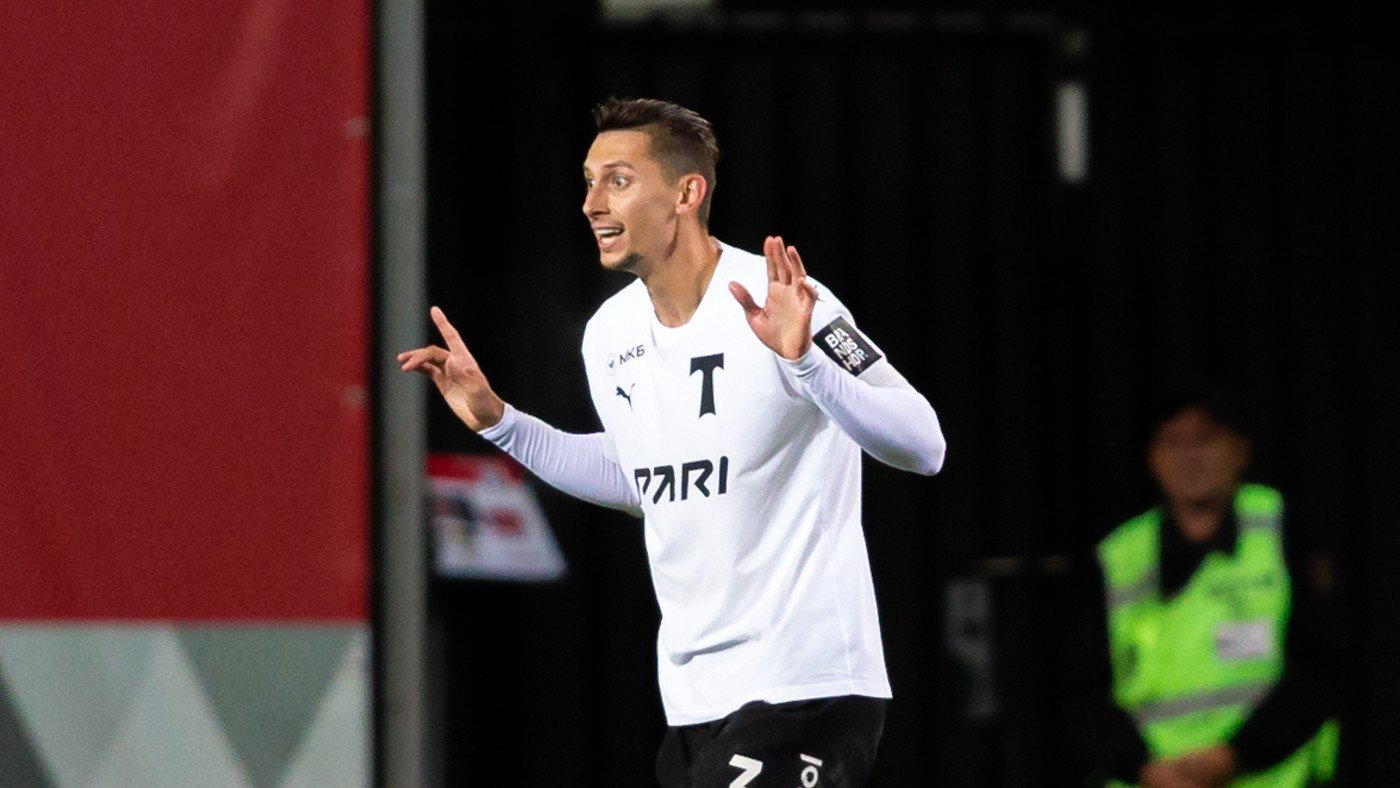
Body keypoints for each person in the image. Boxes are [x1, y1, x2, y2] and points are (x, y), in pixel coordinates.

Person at [398, 97, 946, 786]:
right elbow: (644, 480)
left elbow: (924, 444)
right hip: (694, 700)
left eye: (619, 180)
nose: (593, 203)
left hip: (805, 685)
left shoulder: (781, 299)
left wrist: (806, 363)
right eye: (589, 181)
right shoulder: (609, 334)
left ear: (688, 193)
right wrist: (501, 423)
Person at [1064, 386, 1340, 787]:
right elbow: (1084, 694)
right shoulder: (1117, 556)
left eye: (1205, 438)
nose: (1189, 455)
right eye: (1172, 441)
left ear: (1241, 450)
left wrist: (1235, 756)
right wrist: (1143, 768)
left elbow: (1322, 665)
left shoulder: (1285, 529)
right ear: (1152, 458)